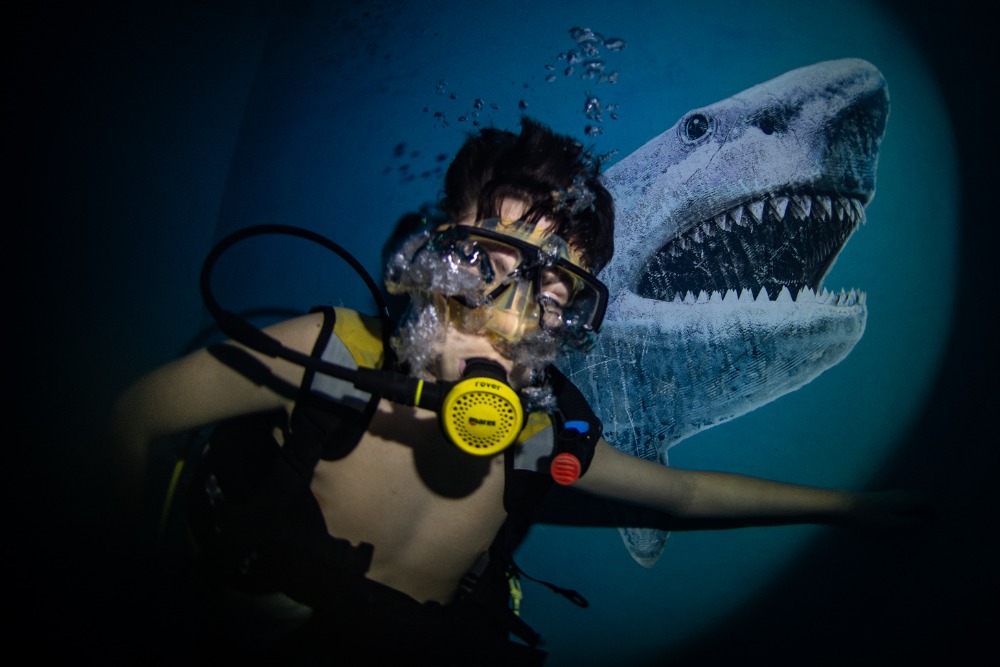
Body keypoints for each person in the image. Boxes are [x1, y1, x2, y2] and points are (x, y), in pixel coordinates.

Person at [112, 117, 926, 666]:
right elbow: (135, 413)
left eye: (552, 294)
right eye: (486, 265)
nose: (509, 317)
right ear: (429, 258)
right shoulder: (329, 355)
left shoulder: (537, 439)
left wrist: (847, 506)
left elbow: (682, 492)